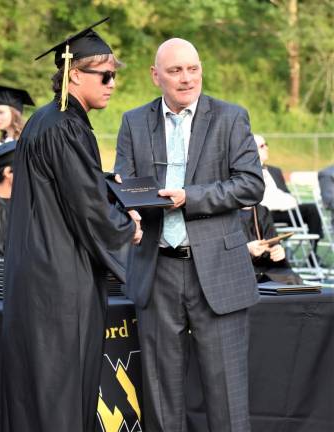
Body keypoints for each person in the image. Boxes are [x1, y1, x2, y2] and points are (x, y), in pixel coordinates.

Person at [115, 38, 264, 432]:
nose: (186, 79)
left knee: (228, 400)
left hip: (219, 272)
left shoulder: (231, 118)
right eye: (176, 70)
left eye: (193, 69)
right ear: (155, 76)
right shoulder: (133, 121)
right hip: (157, 270)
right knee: (162, 399)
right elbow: (125, 185)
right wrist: (128, 206)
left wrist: (189, 198)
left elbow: (250, 185)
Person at [2, 18, 141, 432]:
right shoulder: (66, 126)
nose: (112, 83)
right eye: (105, 75)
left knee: (34, 391)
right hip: (61, 283)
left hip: (33, 275)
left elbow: (68, 186)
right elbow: (89, 209)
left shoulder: (43, 121)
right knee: (62, 388)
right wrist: (127, 227)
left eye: (114, 75)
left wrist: (108, 183)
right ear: (75, 73)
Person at [255, 134, 323, 244]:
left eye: (266, 144)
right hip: (266, 214)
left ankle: (312, 252)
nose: (267, 148)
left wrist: (286, 200)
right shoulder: (250, 172)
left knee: (312, 209)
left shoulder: (275, 171)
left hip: (284, 211)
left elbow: (287, 194)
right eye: (262, 146)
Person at [239, 204, 303, 285]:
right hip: (239, 269)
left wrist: (277, 250)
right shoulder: (224, 213)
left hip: (265, 265)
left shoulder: (262, 211)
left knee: (292, 279)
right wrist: (246, 249)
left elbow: (272, 240)